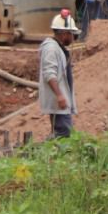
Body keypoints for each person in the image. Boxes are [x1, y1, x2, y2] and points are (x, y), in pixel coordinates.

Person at [39, 9, 79, 138]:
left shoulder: (58, 48)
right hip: (59, 103)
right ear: (63, 34)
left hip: (61, 102)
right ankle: (41, 153)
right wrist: (60, 96)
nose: (73, 38)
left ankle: (49, 155)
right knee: (63, 134)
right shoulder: (51, 49)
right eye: (71, 34)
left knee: (62, 134)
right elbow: (49, 74)